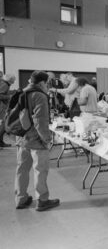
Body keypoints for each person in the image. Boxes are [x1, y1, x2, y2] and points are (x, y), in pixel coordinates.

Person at [15, 71, 60, 211]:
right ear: (42, 83)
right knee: (40, 170)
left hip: (22, 137)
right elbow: (40, 120)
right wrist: (46, 139)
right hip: (36, 139)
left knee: (22, 169)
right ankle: (42, 200)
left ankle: (20, 199)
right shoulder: (39, 95)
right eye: (46, 83)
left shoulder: (22, 92)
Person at [0, 73, 16, 147]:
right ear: (10, 80)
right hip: (1, 107)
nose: (14, 82)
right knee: (3, 125)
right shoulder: (5, 84)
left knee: (3, 125)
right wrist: (10, 96)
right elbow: (1, 95)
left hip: (2, 107)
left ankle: (1, 142)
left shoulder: (3, 83)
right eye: (13, 80)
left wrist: (12, 92)